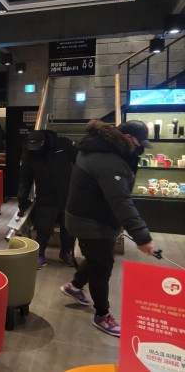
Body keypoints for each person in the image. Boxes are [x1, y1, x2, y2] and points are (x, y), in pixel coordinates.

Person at [60, 120, 155, 337]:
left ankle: (74, 286)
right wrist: (141, 236)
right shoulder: (107, 159)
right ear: (128, 138)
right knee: (102, 267)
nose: (139, 148)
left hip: (90, 215)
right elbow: (121, 200)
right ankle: (102, 316)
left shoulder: (99, 146)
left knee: (98, 258)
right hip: (90, 221)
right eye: (138, 143)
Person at [17, 130, 77, 269]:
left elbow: (79, 164)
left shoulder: (64, 145)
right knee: (42, 228)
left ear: (44, 141)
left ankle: (65, 253)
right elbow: (25, 180)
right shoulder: (29, 153)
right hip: (45, 196)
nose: (35, 149)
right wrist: (22, 201)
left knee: (68, 228)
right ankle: (40, 255)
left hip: (67, 195)